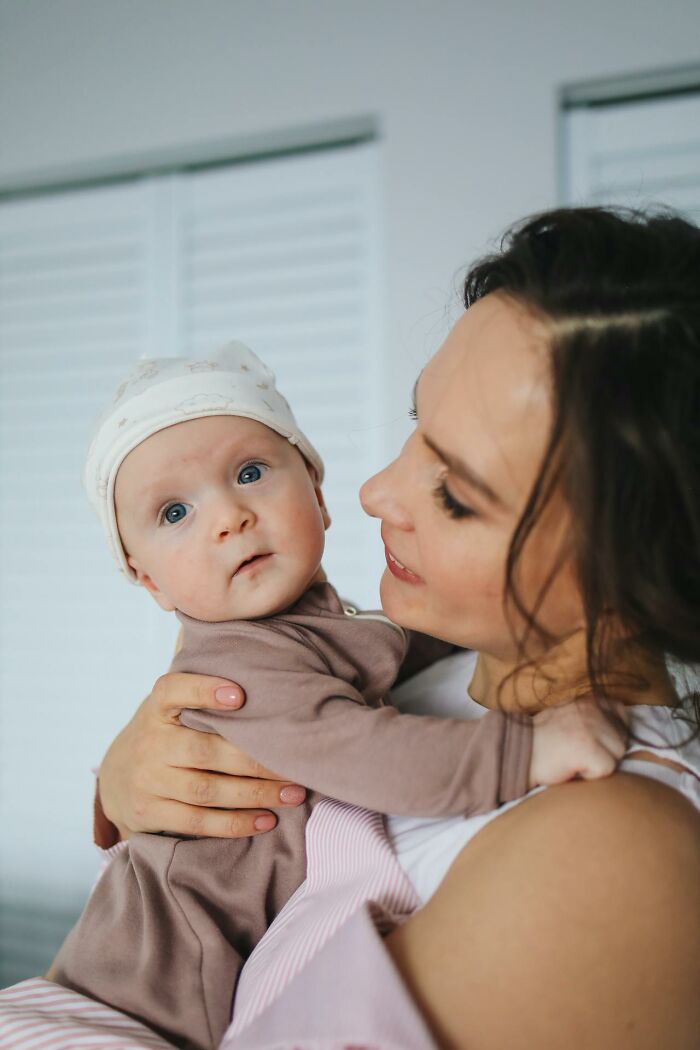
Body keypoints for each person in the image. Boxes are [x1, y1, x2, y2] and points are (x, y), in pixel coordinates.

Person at [5, 205, 694, 1050]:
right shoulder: (434, 664)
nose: (375, 491)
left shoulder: (610, 852)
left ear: (638, 562)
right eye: (416, 428)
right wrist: (122, 787)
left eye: (457, 493)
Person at [48, 344, 620, 1050]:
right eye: (174, 513)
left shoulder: (320, 624)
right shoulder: (240, 666)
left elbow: (393, 647)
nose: (228, 517)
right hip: (132, 1002)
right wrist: (525, 750)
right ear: (150, 583)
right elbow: (366, 753)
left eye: (250, 473)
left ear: (317, 491)